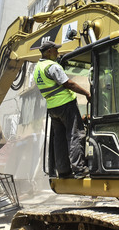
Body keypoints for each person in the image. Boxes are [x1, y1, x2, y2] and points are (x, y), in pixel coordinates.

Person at [35, 40, 91, 178]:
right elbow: (69, 84)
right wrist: (87, 93)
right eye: (56, 50)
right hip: (66, 104)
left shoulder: (38, 68)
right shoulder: (52, 66)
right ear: (49, 51)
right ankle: (79, 169)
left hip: (52, 108)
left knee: (59, 139)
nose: (58, 52)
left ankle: (63, 170)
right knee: (75, 135)